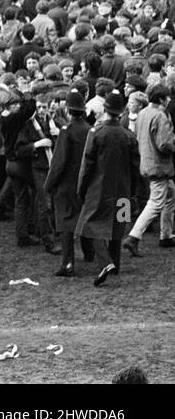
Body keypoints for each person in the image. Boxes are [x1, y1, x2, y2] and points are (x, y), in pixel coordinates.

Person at [76, 90, 141, 287]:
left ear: (105, 110)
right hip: (124, 189)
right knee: (119, 227)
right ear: (121, 112)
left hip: (99, 190)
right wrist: (133, 192)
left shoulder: (96, 134)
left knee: (88, 225)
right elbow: (135, 167)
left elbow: (86, 166)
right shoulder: (128, 136)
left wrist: (82, 189)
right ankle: (115, 264)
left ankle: (105, 263)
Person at [124, 85, 175, 255]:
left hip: (146, 162)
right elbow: (165, 144)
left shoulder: (144, 113)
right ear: (161, 99)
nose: (168, 101)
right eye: (166, 98)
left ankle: (166, 235)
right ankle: (133, 237)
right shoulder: (160, 116)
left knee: (171, 194)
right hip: (159, 166)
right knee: (155, 203)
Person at [44, 91, 91, 276]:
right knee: (84, 218)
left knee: (66, 224)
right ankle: (90, 253)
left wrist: (48, 185)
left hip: (66, 184)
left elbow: (58, 162)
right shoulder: (90, 130)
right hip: (84, 182)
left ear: (68, 110)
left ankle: (68, 263)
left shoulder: (66, 131)